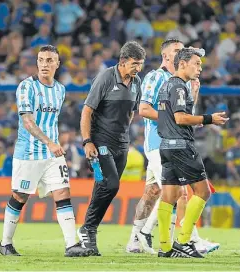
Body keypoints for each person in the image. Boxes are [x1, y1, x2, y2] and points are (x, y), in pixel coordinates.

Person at [126, 39, 220, 254]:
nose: (181, 53)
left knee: (152, 192)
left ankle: (135, 239)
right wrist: (173, 119)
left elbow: (185, 112)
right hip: (157, 142)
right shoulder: (155, 77)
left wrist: (194, 92)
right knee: (182, 193)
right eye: (177, 50)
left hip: (170, 142)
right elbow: (144, 109)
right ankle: (191, 240)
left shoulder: (183, 80)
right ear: (166, 56)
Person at [0, 45, 92, 257]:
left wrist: (53, 144)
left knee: (63, 192)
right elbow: (27, 121)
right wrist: (49, 142)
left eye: (50, 60)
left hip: (52, 154)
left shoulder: (60, 89)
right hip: (29, 153)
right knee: (20, 196)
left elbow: (52, 122)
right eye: (41, 60)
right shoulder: (26, 87)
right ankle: (5, 243)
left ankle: (71, 245)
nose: (44, 64)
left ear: (57, 64)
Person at [156, 48, 228, 258]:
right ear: (183, 64)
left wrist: (193, 96)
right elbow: (180, 118)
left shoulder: (167, 84)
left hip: (166, 146)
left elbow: (175, 116)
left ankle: (165, 247)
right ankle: (184, 241)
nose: (200, 68)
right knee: (203, 191)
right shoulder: (178, 86)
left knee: (169, 197)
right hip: (181, 146)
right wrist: (209, 119)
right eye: (196, 63)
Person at [78, 41, 145, 256]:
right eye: (135, 64)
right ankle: (88, 228)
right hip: (101, 142)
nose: (138, 68)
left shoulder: (137, 82)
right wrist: (87, 141)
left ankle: (88, 231)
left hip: (122, 144)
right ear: (122, 62)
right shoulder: (105, 78)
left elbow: (132, 112)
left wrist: (124, 134)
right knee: (112, 184)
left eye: (141, 64)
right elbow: (87, 111)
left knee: (104, 186)